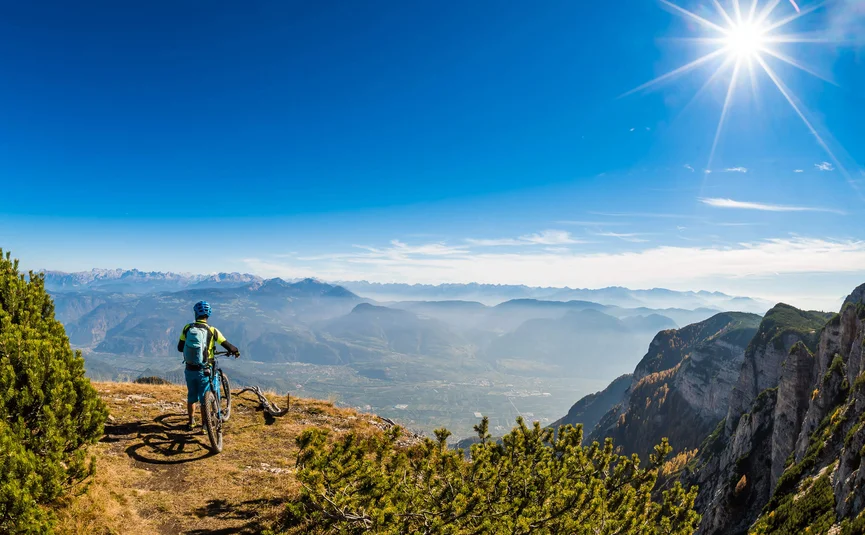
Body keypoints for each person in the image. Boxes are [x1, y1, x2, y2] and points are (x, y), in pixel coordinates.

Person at [177, 300, 240, 432]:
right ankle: (205, 425)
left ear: (195, 314)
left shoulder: (187, 328)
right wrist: (235, 351)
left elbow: (179, 348)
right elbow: (228, 345)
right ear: (208, 315)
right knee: (205, 395)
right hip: (205, 369)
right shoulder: (212, 331)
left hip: (190, 368)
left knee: (192, 395)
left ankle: (191, 422)